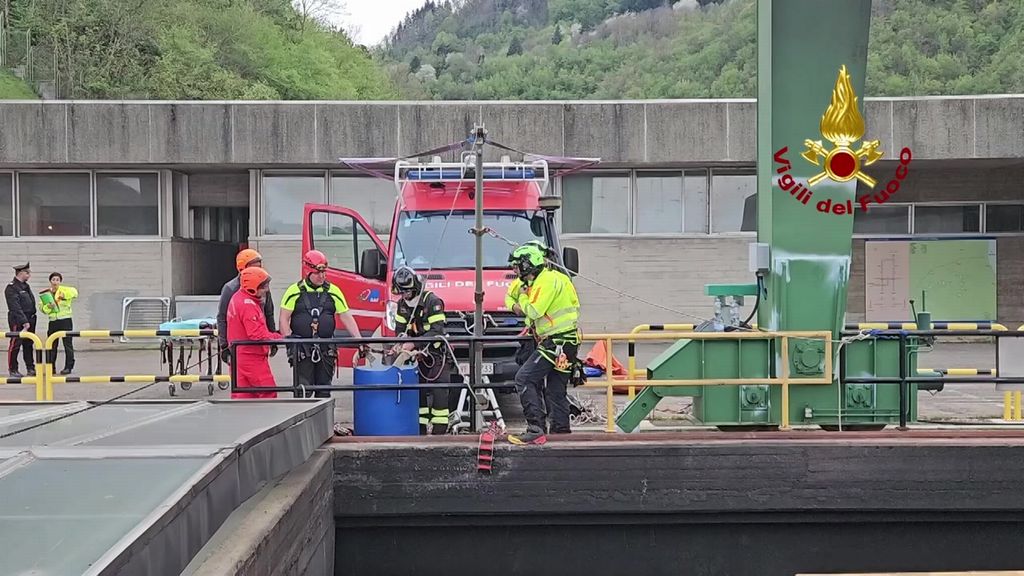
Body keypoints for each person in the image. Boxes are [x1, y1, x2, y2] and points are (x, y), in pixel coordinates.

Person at [505, 243, 581, 446]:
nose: (515, 270)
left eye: (517, 266)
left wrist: (521, 298)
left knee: (523, 379)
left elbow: (533, 311)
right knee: (556, 388)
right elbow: (509, 293)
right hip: (568, 342)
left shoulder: (544, 282)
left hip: (555, 342)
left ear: (528, 264)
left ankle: (535, 428)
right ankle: (561, 431)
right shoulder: (559, 277)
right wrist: (515, 301)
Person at [279, 250, 363, 398]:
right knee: (303, 391)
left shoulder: (333, 291)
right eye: (318, 273)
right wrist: (290, 344)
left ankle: (323, 420)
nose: (322, 276)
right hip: (302, 350)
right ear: (308, 271)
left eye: (324, 272)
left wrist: (360, 340)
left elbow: (346, 316)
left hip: (326, 350)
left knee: (324, 391)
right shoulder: (294, 291)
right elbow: (283, 319)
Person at [388, 266, 458, 435]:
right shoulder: (402, 304)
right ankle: (418, 431)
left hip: (436, 355)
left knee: (439, 393)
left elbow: (437, 331)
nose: (404, 296)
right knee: (417, 393)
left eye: (407, 292)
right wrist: (400, 344)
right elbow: (400, 329)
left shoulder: (432, 302)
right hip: (416, 358)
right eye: (402, 293)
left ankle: (440, 432)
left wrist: (414, 344)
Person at [227, 267, 283, 399]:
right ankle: (270, 420)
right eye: (264, 287)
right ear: (253, 287)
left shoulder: (237, 298)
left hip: (238, 356)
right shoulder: (248, 305)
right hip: (251, 357)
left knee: (243, 398)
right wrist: (279, 337)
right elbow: (257, 335)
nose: (267, 290)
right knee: (268, 393)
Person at [218, 248, 277, 365]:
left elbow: (269, 313)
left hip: (259, 343)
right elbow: (222, 318)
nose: (258, 271)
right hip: (240, 346)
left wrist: (272, 339)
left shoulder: (262, 286)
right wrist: (224, 346)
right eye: (254, 268)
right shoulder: (230, 289)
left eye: (259, 267)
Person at [38, 272, 78, 375]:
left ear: (60, 281)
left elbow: (75, 293)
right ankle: (51, 367)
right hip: (53, 322)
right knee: (51, 345)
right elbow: (42, 308)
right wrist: (48, 307)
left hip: (65, 320)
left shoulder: (65, 290)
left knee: (67, 344)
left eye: (57, 280)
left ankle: (68, 367)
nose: (55, 282)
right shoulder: (46, 294)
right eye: (53, 279)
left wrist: (64, 295)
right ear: (50, 281)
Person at [5, 262, 37, 377]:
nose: (29, 275)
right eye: (27, 273)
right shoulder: (12, 287)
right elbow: (15, 307)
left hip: (31, 318)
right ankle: (13, 369)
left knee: (28, 344)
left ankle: (30, 367)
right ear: (21, 273)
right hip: (18, 320)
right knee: (15, 344)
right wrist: (24, 322)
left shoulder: (26, 286)